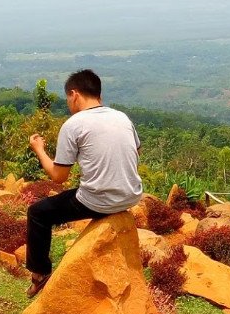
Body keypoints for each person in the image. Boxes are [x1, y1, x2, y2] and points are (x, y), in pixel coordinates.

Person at [25, 69, 143, 298]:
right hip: (131, 194)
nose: (68, 102)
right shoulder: (122, 117)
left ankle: (39, 274)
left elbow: (59, 177)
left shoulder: (74, 124)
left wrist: (39, 150)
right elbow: (137, 150)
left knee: (38, 213)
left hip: (98, 201)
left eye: (68, 98)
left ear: (74, 94)